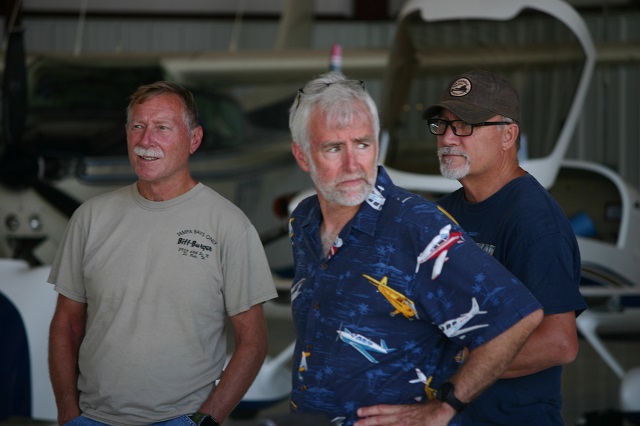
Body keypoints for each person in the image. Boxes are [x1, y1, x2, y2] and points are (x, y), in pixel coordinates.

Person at [286, 71, 544, 426]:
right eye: (333, 148)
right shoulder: (303, 221)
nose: (352, 164)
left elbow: (516, 316)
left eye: (362, 144)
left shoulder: (416, 226)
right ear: (302, 157)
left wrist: (447, 405)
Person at [47, 81, 278, 426]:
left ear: (194, 139)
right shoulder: (89, 218)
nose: (145, 140)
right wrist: (68, 413)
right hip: (92, 418)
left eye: (162, 128)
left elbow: (253, 342)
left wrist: (206, 420)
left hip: (180, 419)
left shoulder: (229, 225)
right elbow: (66, 324)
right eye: (137, 126)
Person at [423, 69, 587, 425]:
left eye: (465, 125)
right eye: (443, 124)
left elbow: (559, 343)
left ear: (508, 135)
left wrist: (453, 363)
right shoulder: (440, 215)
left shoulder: (535, 222)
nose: (448, 137)